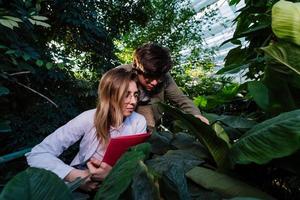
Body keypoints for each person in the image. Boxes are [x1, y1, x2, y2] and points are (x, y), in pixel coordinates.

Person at [26, 68, 147, 192]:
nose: (133, 101)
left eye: (135, 95)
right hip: (82, 175)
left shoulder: (139, 122)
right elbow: (38, 153)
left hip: (118, 179)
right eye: (126, 95)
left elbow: (137, 163)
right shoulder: (87, 118)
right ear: (109, 96)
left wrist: (112, 175)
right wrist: (76, 176)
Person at [118, 43, 209, 130]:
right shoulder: (120, 75)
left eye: (158, 78)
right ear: (137, 70)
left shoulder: (163, 75)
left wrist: (196, 116)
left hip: (151, 126)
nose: (154, 82)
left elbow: (180, 99)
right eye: (149, 77)